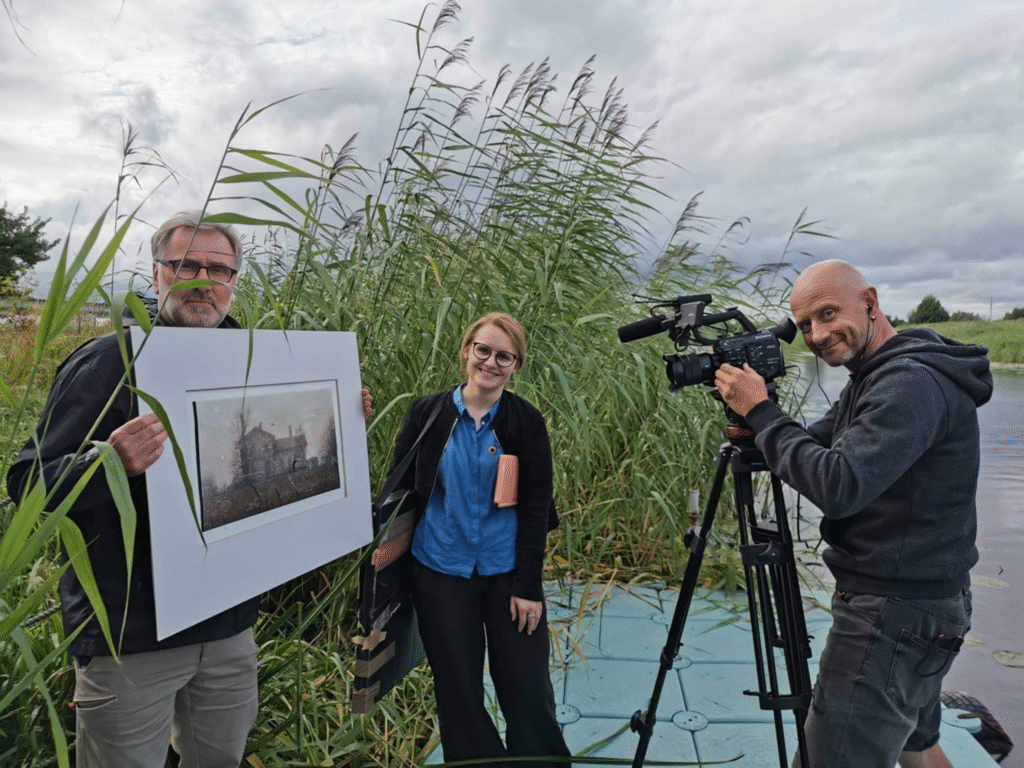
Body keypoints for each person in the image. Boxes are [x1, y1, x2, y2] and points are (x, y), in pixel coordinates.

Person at [6, 210, 373, 768]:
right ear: (157, 275)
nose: (204, 280)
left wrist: (342, 425)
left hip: (228, 626)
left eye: (219, 269)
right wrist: (108, 463)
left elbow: (289, 461)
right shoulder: (111, 362)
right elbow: (28, 482)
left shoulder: (255, 359)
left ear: (233, 282)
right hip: (130, 638)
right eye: (187, 265)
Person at [713, 260, 992, 768]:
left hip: (893, 612)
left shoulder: (908, 383)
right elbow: (820, 444)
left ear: (869, 300)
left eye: (827, 314)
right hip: (926, 604)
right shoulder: (881, 372)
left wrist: (761, 412)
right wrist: (761, 426)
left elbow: (838, 485)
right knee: (918, 747)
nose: (817, 335)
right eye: (804, 326)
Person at [390, 312, 571, 768]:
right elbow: (397, 492)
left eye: (504, 356)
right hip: (440, 572)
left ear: (516, 366)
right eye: (483, 350)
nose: (490, 362)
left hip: (506, 573)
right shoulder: (427, 414)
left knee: (527, 688)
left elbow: (534, 507)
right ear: (466, 351)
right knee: (458, 694)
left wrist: (529, 587)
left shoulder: (525, 422)